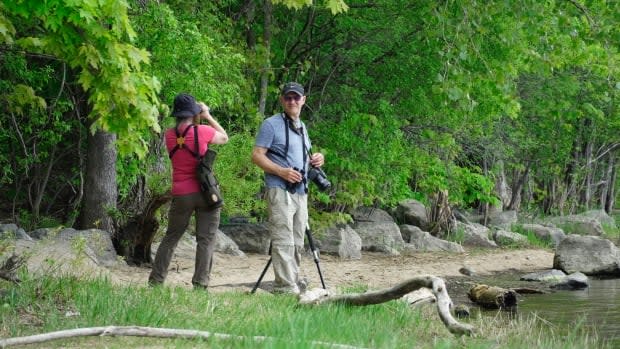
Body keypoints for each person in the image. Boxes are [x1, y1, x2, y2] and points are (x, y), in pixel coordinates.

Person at [251, 82, 325, 294]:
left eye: (296, 98)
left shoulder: (302, 126)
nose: (292, 101)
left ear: (304, 100)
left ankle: (292, 280)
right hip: (279, 188)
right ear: (282, 100)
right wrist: (280, 171)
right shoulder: (271, 124)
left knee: (297, 240)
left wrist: (317, 159)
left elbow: (301, 156)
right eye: (288, 98)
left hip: (300, 191)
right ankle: (284, 287)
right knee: (283, 239)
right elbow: (256, 155)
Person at [149, 93, 228, 289]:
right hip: (205, 193)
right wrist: (207, 116)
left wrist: (197, 117)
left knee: (171, 237)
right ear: (193, 113)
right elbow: (224, 138)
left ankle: (156, 281)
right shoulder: (202, 131)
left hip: (181, 194)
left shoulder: (168, 135)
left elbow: (185, 141)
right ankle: (200, 285)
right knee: (206, 240)